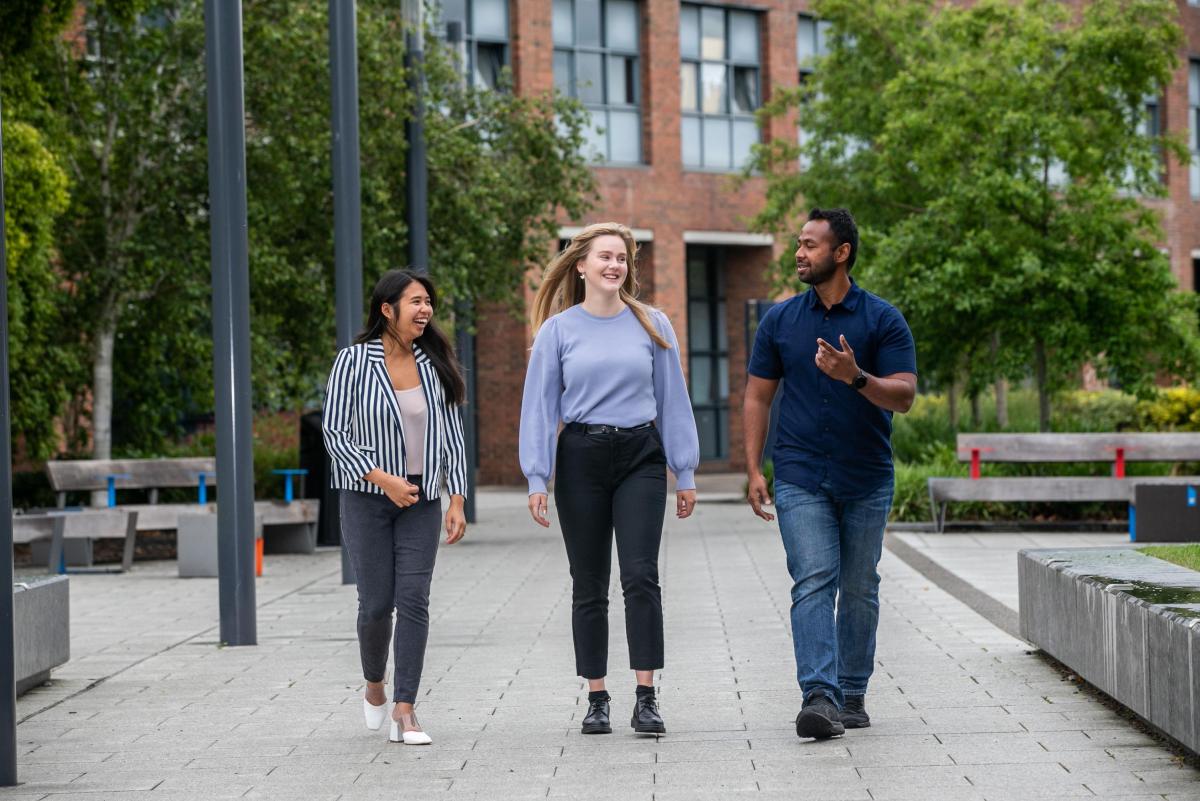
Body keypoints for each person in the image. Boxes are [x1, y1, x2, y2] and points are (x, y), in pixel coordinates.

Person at [519, 222, 700, 736]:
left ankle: (646, 697)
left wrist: (683, 470)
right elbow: (538, 409)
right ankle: (596, 698)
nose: (614, 265)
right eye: (604, 256)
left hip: (641, 454)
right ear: (581, 265)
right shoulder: (557, 331)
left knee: (641, 574)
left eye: (621, 258)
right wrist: (537, 478)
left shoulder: (653, 323)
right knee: (590, 582)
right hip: (581, 456)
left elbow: (672, 400)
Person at [743, 208, 916, 740]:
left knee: (860, 585)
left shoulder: (882, 319)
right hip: (799, 472)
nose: (800, 252)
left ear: (841, 253)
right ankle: (819, 694)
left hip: (866, 474)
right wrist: (753, 467)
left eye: (811, 245)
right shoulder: (779, 321)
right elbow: (757, 395)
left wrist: (856, 377)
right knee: (814, 579)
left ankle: (853, 690)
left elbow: (904, 395)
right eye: (799, 243)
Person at [322, 269, 469, 746]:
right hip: (367, 496)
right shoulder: (353, 361)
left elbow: (451, 437)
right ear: (387, 309)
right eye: (415, 301)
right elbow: (334, 433)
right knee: (376, 604)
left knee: (414, 600)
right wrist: (383, 479)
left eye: (428, 301)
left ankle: (405, 709)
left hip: (422, 500)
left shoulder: (432, 363)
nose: (425, 310)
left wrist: (457, 499)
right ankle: (374, 684)